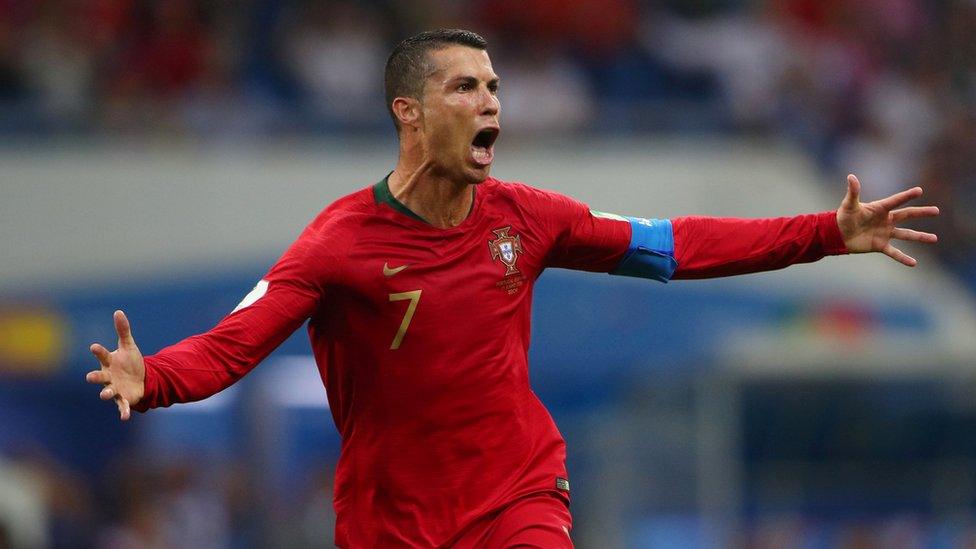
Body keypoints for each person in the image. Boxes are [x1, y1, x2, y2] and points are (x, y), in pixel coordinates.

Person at [86, 29, 939, 548]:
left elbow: (675, 246)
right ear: (408, 113)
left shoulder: (527, 219)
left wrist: (828, 232)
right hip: (393, 523)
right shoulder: (340, 242)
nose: (491, 100)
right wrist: (153, 376)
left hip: (517, 493)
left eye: (494, 86)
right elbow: (241, 335)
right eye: (466, 86)